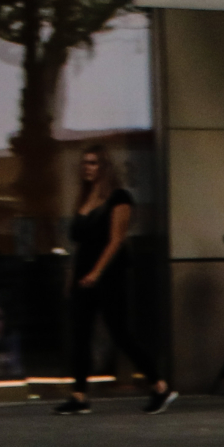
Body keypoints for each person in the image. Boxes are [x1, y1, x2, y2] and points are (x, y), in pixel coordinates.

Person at [54, 146, 172, 415]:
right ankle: (79, 396)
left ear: (104, 167)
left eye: (93, 163)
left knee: (120, 333)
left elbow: (116, 239)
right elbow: (80, 245)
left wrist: (97, 272)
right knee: (80, 335)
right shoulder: (83, 200)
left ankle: (159, 386)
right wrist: (72, 276)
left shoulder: (119, 197)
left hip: (109, 275)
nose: (87, 167)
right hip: (83, 275)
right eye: (84, 162)